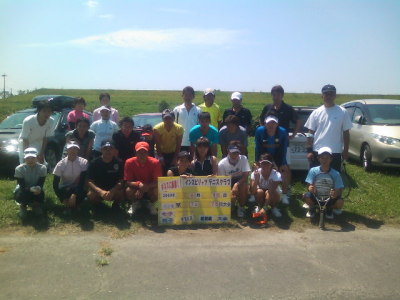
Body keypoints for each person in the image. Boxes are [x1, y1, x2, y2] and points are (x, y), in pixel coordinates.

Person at [304, 84, 352, 172]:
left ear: (335, 96)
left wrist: (346, 150)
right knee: (316, 178)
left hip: (335, 152)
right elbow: (310, 133)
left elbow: (346, 133)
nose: (328, 96)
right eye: (326, 94)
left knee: (333, 179)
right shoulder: (316, 112)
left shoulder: (343, 112)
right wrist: (309, 151)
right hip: (317, 151)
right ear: (322, 96)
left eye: (331, 94)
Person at [254, 114, 290, 204]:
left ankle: (285, 194)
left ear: (277, 124)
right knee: (255, 169)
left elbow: (284, 148)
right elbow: (257, 147)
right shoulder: (259, 131)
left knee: (285, 171)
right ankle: (255, 192)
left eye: (273, 123)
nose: (271, 125)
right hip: (264, 154)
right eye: (269, 123)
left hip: (278, 154)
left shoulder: (282, 132)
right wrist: (257, 161)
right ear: (265, 124)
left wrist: (281, 163)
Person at [303, 147, 344, 220]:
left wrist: (335, 193)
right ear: (318, 159)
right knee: (305, 196)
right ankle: (312, 208)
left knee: (340, 202)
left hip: (329, 198)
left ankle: (329, 209)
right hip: (316, 196)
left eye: (327, 158)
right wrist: (310, 188)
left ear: (331, 159)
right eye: (322, 158)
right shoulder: (313, 171)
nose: (324, 160)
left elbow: (339, 189)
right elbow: (308, 185)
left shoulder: (336, 174)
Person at [124, 141, 162, 216]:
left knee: (157, 190)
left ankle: (151, 204)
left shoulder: (155, 162)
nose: (142, 155)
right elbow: (127, 182)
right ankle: (135, 203)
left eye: (144, 152)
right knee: (128, 190)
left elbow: (158, 181)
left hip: (150, 188)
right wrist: (139, 185)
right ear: (135, 153)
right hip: (136, 188)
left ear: (148, 153)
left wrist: (146, 187)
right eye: (139, 152)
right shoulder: (129, 162)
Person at [87, 140, 124, 209]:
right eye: (105, 149)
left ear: (114, 150)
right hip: (99, 189)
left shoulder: (119, 162)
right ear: (101, 150)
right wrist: (100, 191)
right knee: (91, 195)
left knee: (121, 193)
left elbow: (121, 181)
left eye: (110, 149)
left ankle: (116, 205)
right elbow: (89, 181)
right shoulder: (94, 163)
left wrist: (112, 191)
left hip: (113, 189)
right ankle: (98, 206)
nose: (108, 151)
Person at [53, 141, 88, 214]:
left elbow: (82, 181)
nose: (73, 150)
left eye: (75, 148)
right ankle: (69, 205)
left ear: (78, 150)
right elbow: (55, 184)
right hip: (65, 187)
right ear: (67, 150)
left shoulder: (84, 162)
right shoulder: (60, 164)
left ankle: (75, 205)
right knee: (66, 191)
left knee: (83, 189)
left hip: (78, 186)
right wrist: (61, 199)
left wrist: (74, 195)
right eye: (70, 148)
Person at [218, 144, 251, 218]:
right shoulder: (221, 164)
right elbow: (222, 182)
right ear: (228, 152)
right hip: (227, 184)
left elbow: (245, 176)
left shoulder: (243, 159)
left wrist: (236, 185)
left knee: (244, 186)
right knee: (231, 200)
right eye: (233, 152)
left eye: (237, 152)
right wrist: (230, 191)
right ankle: (231, 205)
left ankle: (241, 207)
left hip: (240, 182)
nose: (235, 154)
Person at [14, 147, 47, 218]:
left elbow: (41, 183)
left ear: (37, 158)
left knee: (41, 192)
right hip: (23, 188)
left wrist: (38, 188)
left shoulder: (43, 168)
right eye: (28, 158)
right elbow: (22, 185)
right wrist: (31, 189)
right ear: (24, 158)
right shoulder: (19, 169)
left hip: (36, 187)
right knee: (23, 193)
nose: (30, 160)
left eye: (32, 158)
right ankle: (23, 206)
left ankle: (36, 205)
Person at [19, 99, 55, 164]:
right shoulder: (28, 121)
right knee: (26, 164)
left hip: (39, 144)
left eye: (49, 112)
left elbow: (45, 138)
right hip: (25, 144)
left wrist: (41, 154)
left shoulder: (51, 121)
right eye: (44, 111)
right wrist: (26, 155)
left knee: (41, 164)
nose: (47, 114)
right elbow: (25, 139)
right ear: (39, 111)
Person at [250, 153, 283, 220]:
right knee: (259, 191)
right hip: (261, 193)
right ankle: (259, 206)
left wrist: (265, 208)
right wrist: (256, 179)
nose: (265, 165)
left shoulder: (276, 174)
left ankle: (273, 208)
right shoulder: (255, 173)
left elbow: (271, 192)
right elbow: (253, 192)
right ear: (260, 164)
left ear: (271, 164)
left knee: (268, 192)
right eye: (263, 163)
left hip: (273, 193)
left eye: (267, 163)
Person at [153, 109, 184, 175]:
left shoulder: (179, 128)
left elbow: (178, 144)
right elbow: (158, 144)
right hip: (160, 152)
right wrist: (161, 158)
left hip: (173, 152)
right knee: (160, 170)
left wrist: (175, 158)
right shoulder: (157, 128)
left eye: (170, 118)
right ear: (162, 119)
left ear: (173, 118)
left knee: (173, 170)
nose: (168, 120)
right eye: (165, 118)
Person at [172, 86, 202, 153]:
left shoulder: (198, 110)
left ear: (193, 96)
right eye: (186, 95)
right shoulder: (177, 110)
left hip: (194, 143)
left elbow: (200, 126)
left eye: (190, 95)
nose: (188, 97)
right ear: (182, 96)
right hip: (179, 143)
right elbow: (173, 126)